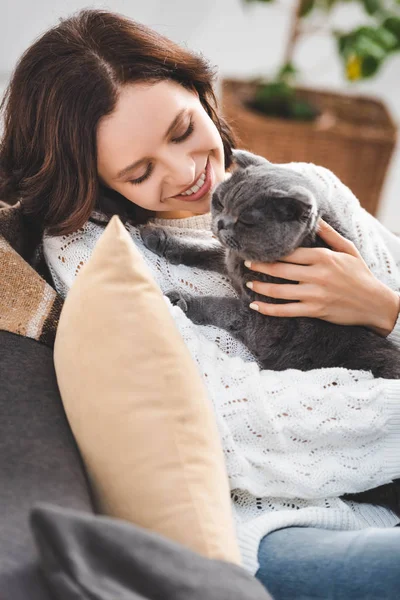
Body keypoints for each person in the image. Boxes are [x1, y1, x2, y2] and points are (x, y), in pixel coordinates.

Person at [2, 9, 400, 599]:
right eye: (139, 172)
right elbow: (244, 430)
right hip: (279, 526)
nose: (188, 172)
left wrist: (383, 307)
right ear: (98, 180)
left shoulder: (310, 187)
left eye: (184, 130)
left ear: (199, 90)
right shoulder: (106, 257)